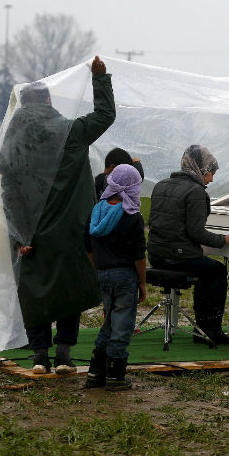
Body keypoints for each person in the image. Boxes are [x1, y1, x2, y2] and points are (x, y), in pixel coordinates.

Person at [0, 56, 115, 374]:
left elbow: (8, 191)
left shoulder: (14, 143)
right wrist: (100, 79)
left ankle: (39, 356)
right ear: (49, 101)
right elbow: (105, 115)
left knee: (34, 290)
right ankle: (64, 354)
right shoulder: (71, 132)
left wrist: (18, 235)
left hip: (30, 233)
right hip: (72, 231)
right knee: (68, 288)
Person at [146, 145, 229, 345]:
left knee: (205, 267)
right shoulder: (196, 191)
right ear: (201, 169)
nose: (211, 179)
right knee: (216, 270)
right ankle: (209, 329)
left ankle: (202, 327)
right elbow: (196, 232)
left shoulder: (161, 185)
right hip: (177, 258)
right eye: (211, 173)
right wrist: (223, 240)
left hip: (155, 254)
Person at [83, 163, 147, 391]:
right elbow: (139, 255)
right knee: (122, 325)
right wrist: (142, 282)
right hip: (125, 276)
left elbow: (88, 246)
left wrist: (98, 269)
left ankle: (95, 373)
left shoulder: (96, 211)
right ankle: (115, 376)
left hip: (103, 274)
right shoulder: (132, 216)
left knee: (109, 322)